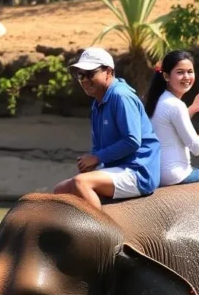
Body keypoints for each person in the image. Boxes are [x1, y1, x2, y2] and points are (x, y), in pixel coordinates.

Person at [53, 47, 160, 210]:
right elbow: (98, 147)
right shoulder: (97, 103)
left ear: (108, 72)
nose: (84, 80)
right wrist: (91, 163)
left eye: (90, 74)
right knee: (60, 190)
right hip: (116, 168)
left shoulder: (121, 96)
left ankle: (101, 233)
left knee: (81, 183)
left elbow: (132, 141)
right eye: (80, 75)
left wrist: (97, 158)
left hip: (138, 171)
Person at [144, 50, 199, 187]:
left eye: (190, 71)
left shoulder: (160, 99)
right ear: (166, 76)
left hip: (159, 172)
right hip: (175, 174)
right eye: (180, 72)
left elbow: (170, 126)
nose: (186, 76)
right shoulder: (176, 105)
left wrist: (193, 108)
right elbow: (196, 148)